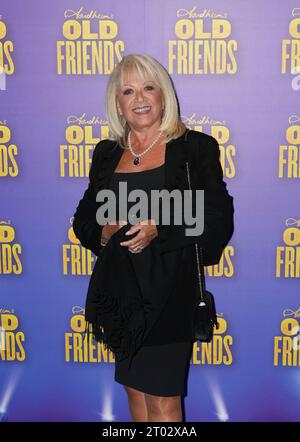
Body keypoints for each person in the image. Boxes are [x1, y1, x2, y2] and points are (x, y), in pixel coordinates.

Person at [73, 54, 234, 422]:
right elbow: (83, 219)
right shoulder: (106, 153)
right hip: (120, 294)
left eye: (148, 87)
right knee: (134, 394)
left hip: (170, 295)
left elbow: (217, 220)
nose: (139, 98)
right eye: (128, 91)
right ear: (118, 102)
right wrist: (105, 231)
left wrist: (158, 227)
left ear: (163, 95)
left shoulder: (194, 148)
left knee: (163, 402)